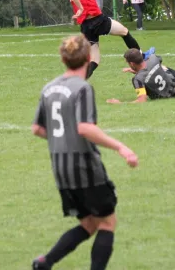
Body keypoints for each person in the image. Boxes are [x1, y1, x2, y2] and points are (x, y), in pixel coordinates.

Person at [31, 34, 139, 270]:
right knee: (107, 223)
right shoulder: (82, 88)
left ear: (63, 59)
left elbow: (38, 129)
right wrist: (121, 147)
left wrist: (62, 136)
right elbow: (85, 128)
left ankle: (45, 263)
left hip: (60, 168)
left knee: (89, 223)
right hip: (84, 165)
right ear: (89, 57)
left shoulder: (49, 88)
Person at [56, 0, 154, 79]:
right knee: (124, 31)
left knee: (95, 60)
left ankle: (78, 80)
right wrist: (80, 8)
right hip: (97, 20)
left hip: (85, 26)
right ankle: (142, 56)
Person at [106, 48, 175, 104]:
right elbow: (150, 69)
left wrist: (120, 103)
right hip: (173, 85)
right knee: (163, 67)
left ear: (132, 64)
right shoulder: (153, 58)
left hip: (164, 95)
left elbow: (142, 100)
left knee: (161, 73)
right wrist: (135, 71)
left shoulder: (137, 79)